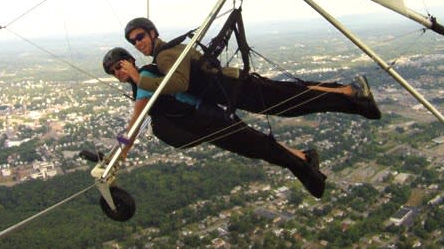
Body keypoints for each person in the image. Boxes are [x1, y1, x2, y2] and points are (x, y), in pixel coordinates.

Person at [102, 47, 327, 198]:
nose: (118, 73)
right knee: (254, 141)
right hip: (206, 115)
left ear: (130, 61)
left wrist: (121, 152)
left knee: (255, 144)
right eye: (114, 72)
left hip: (205, 116)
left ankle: (305, 165)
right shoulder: (141, 80)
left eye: (119, 67)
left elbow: (136, 121)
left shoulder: (145, 78)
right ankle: (304, 157)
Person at [123, 17, 382, 121]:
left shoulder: (166, 55)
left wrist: (138, 79)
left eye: (140, 37)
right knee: (292, 92)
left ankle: (355, 97)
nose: (138, 43)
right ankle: (349, 90)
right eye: (133, 41)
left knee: (292, 102)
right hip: (234, 84)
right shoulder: (169, 51)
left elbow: (179, 84)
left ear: (152, 33)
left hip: (234, 89)